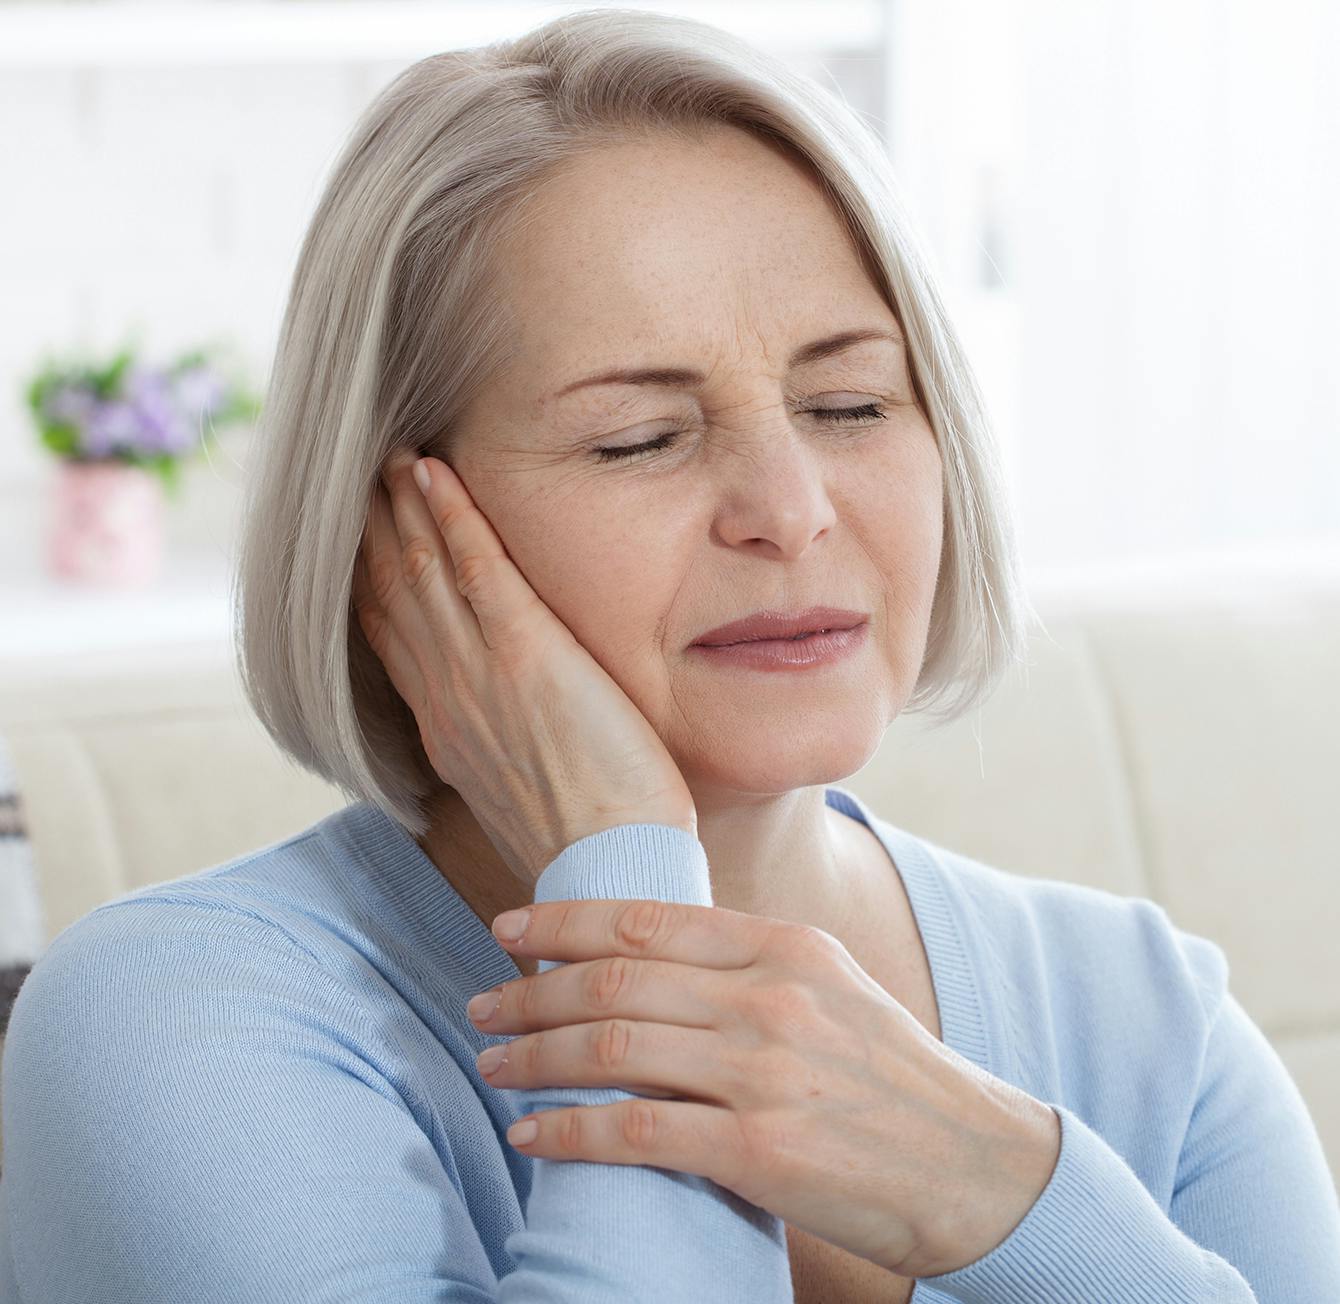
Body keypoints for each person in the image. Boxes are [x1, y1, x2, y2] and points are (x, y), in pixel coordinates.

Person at [2, 9, 1337, 1302]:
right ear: (388, 545)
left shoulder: (1156, 1022)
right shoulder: (167, 1026)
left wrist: (1006, 1198)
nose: (793, 507)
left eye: (851, 403)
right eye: (639, 438)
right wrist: (630, 876)